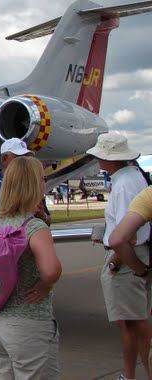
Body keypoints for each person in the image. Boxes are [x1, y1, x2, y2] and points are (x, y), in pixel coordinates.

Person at [0, 156, 62, 379]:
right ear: (33, 186)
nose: (44, 183)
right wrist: (45, 284)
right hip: (28, 327)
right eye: (42, 179)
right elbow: (51, 269)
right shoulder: (34, 227)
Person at [87, 132, 151, 380]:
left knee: (133, 325)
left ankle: (130, 375)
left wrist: (116, 260)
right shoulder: (133, 177)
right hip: (132, 256)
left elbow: (128, 235)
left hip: (125, 260)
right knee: (135, 322)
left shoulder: (124, 184)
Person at [0, 138, 51, 230]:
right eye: (19, 158)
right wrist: (20, 218)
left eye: (27, 157)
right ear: (4, 159)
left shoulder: (32, 185)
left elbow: (48, 221)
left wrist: (42, 215)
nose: (25, 162)